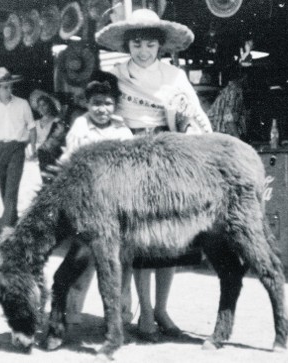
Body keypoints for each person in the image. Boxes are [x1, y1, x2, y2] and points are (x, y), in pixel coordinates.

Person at [68, 8, 213, 341]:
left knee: (170, 235)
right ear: (127, 45)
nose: (143, 51)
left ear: (160, 46)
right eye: (136, 44)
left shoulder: (174, 76)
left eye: (149, 44)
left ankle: (163, 307)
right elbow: (98, 109)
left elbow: (193, 115)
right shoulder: (116, 75)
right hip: (129, 154)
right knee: (138, 237)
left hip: (167, 155)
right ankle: (145, 311)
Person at [47, 73, 134, 324]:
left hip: (116, 203)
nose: (102, 109)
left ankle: (121, 317)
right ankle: (73, 313)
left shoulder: (122, 129)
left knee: (119, 263)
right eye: (96, 103)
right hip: (87, 204)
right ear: (87, 103)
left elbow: (128, 166)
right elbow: (72, 161)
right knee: (82, 261)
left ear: (115, 105)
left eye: (107, 103)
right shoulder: (80, 127)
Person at [0, 67, 36, 228]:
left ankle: (5, 226)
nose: (9, 89)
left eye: (10, 86)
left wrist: (32, 149)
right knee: (4, 190)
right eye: (5, 87)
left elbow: (32, 128)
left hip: (16, 148)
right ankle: (12, 223)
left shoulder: (22, 104)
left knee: (12, 189)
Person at [28, 90, 68, 183]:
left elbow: (57, 140)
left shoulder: (56, 122)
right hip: (35, 155)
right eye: (39, 106)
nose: (41, 108)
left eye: (44, 105)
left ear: (50, 105)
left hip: (51, 155)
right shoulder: (35, 123)